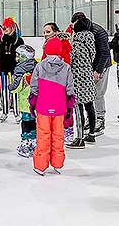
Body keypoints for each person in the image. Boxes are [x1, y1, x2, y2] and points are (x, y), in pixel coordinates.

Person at [29, 38, 75, 176]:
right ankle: (58, 163)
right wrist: (69, 105)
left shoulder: (39, 66)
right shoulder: (66, 67)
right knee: (58, 135)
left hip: (43, 107)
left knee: (43, 135)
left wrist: (33, 102)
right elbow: (70, 89)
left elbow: (34, 87)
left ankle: (40, 165)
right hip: (60, 108)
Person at [71, 12, 111, 136]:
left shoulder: (98, 32)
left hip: (101, 65)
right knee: (88, 95)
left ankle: (100, 119)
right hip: (88, 68)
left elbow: (105, 53)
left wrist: (98, 70)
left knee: (98, 93)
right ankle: (91, 119)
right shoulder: (81, 31)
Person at [66, 18, 96, 149]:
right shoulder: (90, 41)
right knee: (89, 106)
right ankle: (91, 133)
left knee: (78, 108)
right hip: (88, 77)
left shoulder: (76, 44)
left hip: (77, 80)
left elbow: (69, 60)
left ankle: (79, 138)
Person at [0, 17, 24, 122]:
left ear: (12, 28)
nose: (4, 29)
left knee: (14, 91)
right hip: (3, 69)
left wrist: (22, 67)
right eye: (3, 27)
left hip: (14, 70)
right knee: (4, 91)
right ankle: (4, 112)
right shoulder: (1, 39)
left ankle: (16, 113)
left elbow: (23, 55)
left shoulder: (18, 40)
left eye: (6, 27)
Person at [8, 45, 37, 158]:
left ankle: (25, 143)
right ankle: (34, 142)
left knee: (25, 123)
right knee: (33, 122)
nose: (16, 58)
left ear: (24, 57)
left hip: (25, 103)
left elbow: (17, 87)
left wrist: (10, 87)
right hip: (35, 102)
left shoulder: (19, 68)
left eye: (18, 55)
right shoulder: (36, 66)